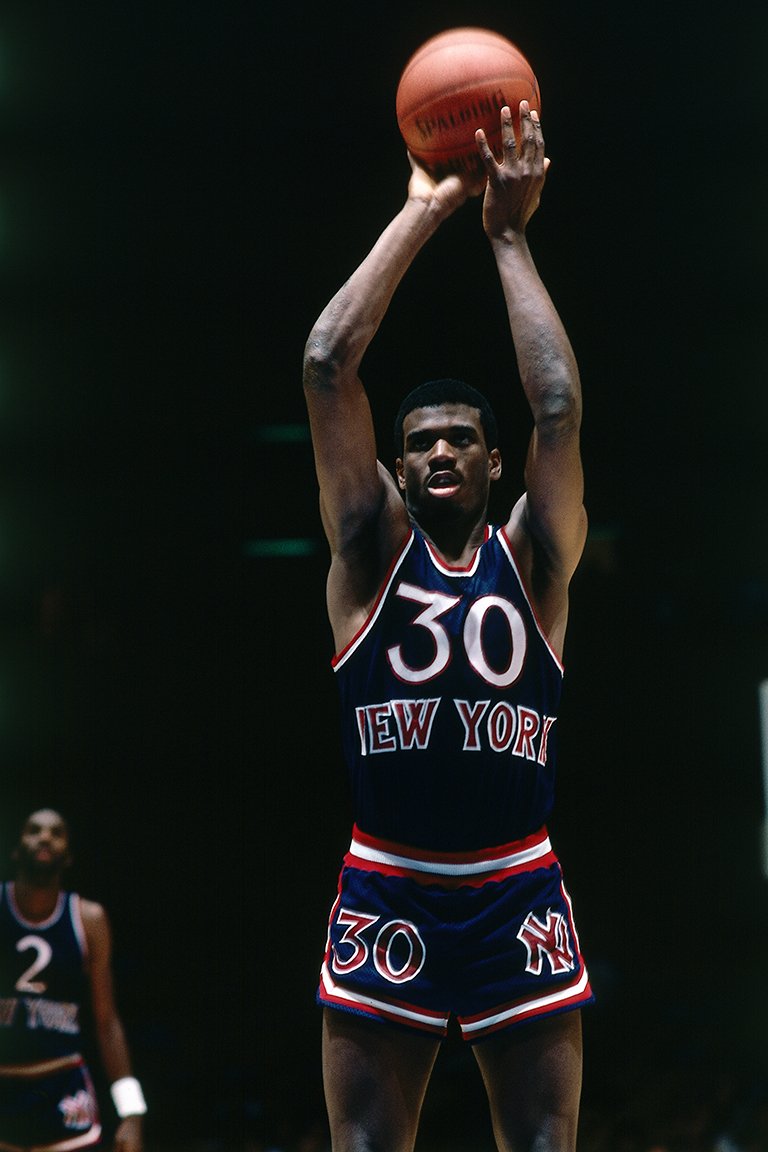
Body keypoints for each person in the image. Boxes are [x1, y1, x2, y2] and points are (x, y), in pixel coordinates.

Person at [302, 100, 593, 1152]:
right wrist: (425, 210)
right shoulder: (368, 551)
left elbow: (557, 407)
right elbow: (328, 362)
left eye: (461, 440)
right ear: (397, 464)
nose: (437, 453)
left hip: (516, 881)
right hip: (390, 879)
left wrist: (507, 237)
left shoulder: (536, 559)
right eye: (420, 441)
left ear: (493, 463)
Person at [0, 808, 147, 1152]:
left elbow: (107, 1021)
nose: (45, 837)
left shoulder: (89, 918)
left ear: (68, 856)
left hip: (62, 1085)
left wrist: (132, 1112)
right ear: (16, 850)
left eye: (57, 833)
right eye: (34, 830)